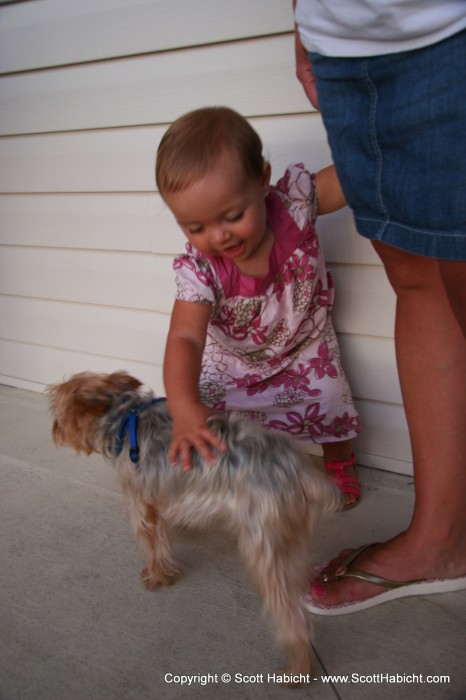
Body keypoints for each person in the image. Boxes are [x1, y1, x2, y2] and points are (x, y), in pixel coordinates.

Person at [293, 0, 466, 614]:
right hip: (344, 47)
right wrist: (303, 17)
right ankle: (440, 542)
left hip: (447, 29)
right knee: (415, 273)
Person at [156, 106, 361, 507]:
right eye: (195, 227)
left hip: (304, 346)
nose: (217, 236)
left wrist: (377, 151)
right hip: (234, 360)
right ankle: (227, 469)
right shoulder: (202, 272)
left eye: (233, 215)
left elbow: (349, 178)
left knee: (329, 394)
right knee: (208, 405)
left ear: (264, 181)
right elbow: (184, 336)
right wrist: (183, 407)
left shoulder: (296, 207)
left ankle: (339, 460)